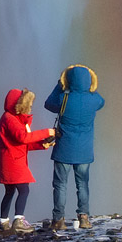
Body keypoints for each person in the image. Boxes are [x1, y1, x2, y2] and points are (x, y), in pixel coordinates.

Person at [44, 65, 105, 229]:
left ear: (69, 81)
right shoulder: (94, 100)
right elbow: (101, 101)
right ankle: (84, 218)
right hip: (84, 150)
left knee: (60, 185)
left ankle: (58, 220)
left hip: (64, 148)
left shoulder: (63, 98)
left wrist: (60, 85)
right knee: (83, 185)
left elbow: (48, 104)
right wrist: (91, 85)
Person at [0, 90, 52, 232]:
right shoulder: (10, 119)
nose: (30, 108)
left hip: (8, 159)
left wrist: (41, 145)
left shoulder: (9, 118)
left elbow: (20, 144)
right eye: (29, 105)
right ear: (20, 105)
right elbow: (23, 138)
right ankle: (19, 220)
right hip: (13, 161)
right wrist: (47, 132)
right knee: (24, 190)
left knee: (10, 191)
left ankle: (3, 221)